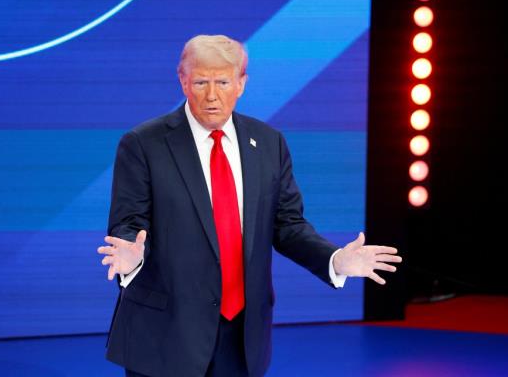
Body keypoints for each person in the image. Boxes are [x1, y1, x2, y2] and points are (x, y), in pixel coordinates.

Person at [97, 34, 402, 377]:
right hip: (166, 333)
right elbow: (129, 223)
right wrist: (130, 258)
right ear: (183, 81)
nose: (212, 95)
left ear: (241, 84)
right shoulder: (143, 144)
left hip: (242, 336)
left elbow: (288, 225)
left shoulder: (268, 144)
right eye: (201, 82)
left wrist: (335, 260)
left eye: (223, 82)